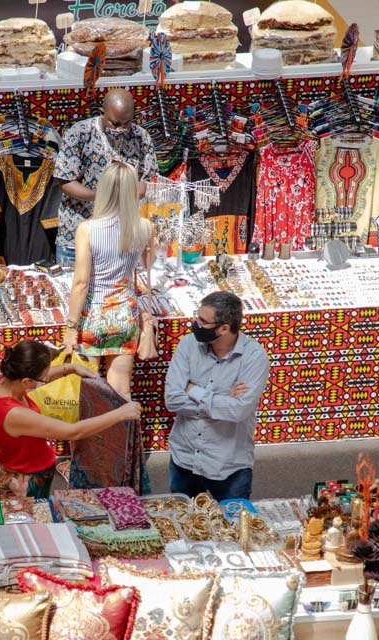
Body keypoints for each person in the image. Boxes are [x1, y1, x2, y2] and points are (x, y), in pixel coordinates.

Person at [0, 340, 142, 499]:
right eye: (41, 379)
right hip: (22, 483)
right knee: (29, 521)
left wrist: (70, 368)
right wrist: (120, 414)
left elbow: (40, 377)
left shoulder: (3, 383)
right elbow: (73, 431)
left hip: (23, 470)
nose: (44, 380)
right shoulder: (15, 414)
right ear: (26, 381)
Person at [164, 291, 269, 501]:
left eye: (203, 321)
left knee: (233, 530)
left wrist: (193, 390)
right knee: (184, 526)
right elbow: (172, 399)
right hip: (185, 458)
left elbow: (238, 410)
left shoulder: (254, 357)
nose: (195, 324)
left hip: (229, 466)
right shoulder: (188, 345)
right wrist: (223, 400)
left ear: (224, 328)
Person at [63, 161, 153, 398]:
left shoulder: (88, 229)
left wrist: (71, 327)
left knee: (87, 391)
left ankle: (85, 435)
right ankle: (123, 434)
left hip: (92, 315)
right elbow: (148, 265)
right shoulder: (144, 227)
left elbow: (81, 283)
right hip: (124, 313)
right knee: (121, 387)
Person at [54, 88, 158, 266]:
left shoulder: (141, 137)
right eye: (115, 123)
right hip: (78, 235)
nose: (121, 129)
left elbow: (147, 180)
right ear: (102, 112)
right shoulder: (79, 134)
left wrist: (130, 195)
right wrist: (103, 197)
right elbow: (64, 181)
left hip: (121, 238)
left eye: (127, 123)